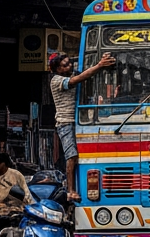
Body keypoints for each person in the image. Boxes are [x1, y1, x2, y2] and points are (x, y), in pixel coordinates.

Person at [48, 51, 115, 201]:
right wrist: (99, 65)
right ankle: (70, 191)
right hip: (65, 123)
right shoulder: (56, 80)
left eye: (69, 62)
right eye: (65, 65)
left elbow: (85, 73)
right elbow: (78, 79)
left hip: (79, 122)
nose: (69, 65)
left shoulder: (70, 74)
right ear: (57, 69)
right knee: (71, 155)